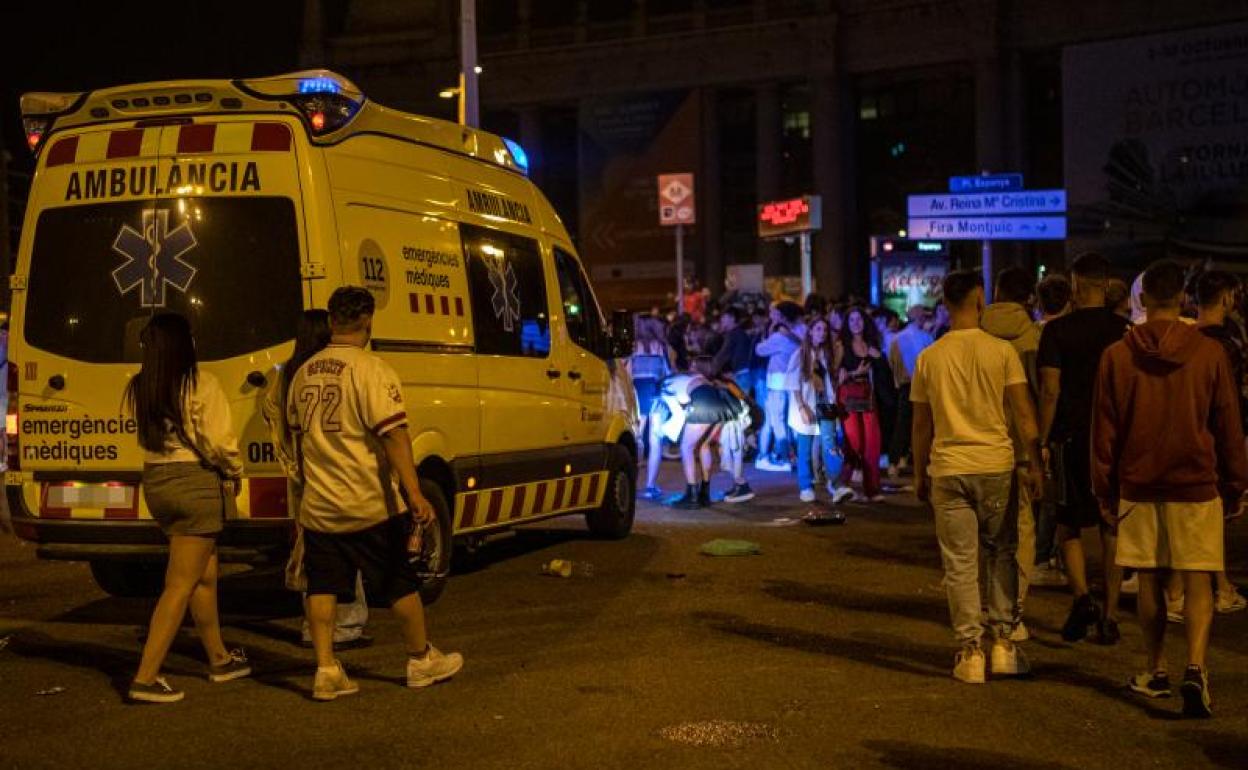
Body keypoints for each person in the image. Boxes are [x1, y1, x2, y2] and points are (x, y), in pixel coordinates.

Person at [1092, 260, 1248, 718]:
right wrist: (1236, 484)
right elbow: (1227, 424)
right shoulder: (1208, 353)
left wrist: (1103, 488)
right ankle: (1196, 666)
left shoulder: (1117, 356)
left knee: (1152, 578)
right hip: (1196, 480)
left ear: (1142, 300)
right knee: (1198, 577)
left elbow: (1104, 431)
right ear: (1183, 298)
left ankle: (1156, 668)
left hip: (1138, 481)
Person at [290, 287, 462, 700]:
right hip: (368, 502)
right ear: (367, 322)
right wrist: (414, 493)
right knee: (398, 582)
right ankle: (421, 659)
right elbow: (395, 436)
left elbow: (299, 439)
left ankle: (327, 668)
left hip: (320, 505)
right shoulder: (372, 369)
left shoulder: (303, 373)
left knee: (323, 586)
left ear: (331, 321)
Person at [911, 270, 1044, 684]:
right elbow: (1024, 415)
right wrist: (1035, 465)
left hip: (949, 468)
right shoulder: (1000, 352)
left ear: (946, 304)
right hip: (995, 465)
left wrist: (920, 473)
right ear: (980, 300)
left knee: (960, 563)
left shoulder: (930, 357)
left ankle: (970, 652)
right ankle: (1003, 644)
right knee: (1002, 552)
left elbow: (921, 425)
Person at [125, 313, 250, 703]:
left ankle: (219, 658)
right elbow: (215, 440)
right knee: (179, 585)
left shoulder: (140, 385)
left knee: (203, 575)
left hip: (157, 481)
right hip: (193, 481)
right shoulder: (201, 383)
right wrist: (234, 470)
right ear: (183, 343)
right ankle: (145, 678)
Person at [263, 310, 371, 650]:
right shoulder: (330, 372)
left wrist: (290, 463)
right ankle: (347, 622)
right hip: (333, 473)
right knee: (346, 547)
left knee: (313, 552)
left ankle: (314, 625)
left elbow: (274, 419)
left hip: (302, 476)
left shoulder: (286, 374)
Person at [1037, 253, 1130, 645]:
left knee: (1067, 522)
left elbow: (1050, 390)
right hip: (1115, 439)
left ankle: (1081, 597)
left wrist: (1041, 439)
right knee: (1112, 526)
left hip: (1070, 437)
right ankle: (1110, 612)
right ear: (1106, 285)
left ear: (1075, 286)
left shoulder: (1057, 332)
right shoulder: (1126, 332)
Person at [980, 266, 1042, 639]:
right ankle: (1012, 610)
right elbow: (1038, 397)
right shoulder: (1034, 338)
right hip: (1020, 448)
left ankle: (984, 607)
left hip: (981, 445)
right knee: (1020, 532)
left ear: (997, 292)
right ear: (1028, 298)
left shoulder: (973, 336)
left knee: (980, 532)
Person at [1191, 271, 1248, 615]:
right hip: (1217, 436)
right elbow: (1232, 403)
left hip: (1189, 435)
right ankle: (1219, 587)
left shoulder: (1186, 339)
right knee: (1212, 515)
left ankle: (1205, 585)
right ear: (1226, 299)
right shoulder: (1227, 344)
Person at [1030, 274, 1073, 588]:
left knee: (1044, 496)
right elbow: (1051, 390)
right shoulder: (1064, 335)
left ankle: (1043, 555)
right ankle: (1046, 556)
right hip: (1057, 426)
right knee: (1053, 498)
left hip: (1029, 424)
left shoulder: (1030, 336)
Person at [787, 317, 852, 504]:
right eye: (818, 329)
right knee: (805, 448)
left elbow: (831, 381)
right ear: (810, 331)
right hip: (807, 405)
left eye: (824, 330)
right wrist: (801, 407)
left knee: (830, 445)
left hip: (825, 404)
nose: (822, 333)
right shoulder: (801, 354)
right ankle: (806, 486)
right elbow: (793, 384)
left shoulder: (827, 354)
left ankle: (836, 484)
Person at [664, 358, 740, 509]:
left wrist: (667, 431)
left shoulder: (665, 386)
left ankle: (691, 496)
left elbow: (678, 411)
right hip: (720, 403)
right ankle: (704, 493)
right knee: (704, 445)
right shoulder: (698, 378)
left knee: (686, 447)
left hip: (703, 401)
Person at [837, 306, 893, 502]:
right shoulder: (841, 345)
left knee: (872, 444)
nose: (855, 323)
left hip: (869, 399)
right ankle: (841, 485)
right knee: (854, 444)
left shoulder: (872, 344)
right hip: (848, 400)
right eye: (851, 320)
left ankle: (873, 490)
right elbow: (837, 374)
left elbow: (885, 373)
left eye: (859, 319)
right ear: (846, 324)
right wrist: (854, 373)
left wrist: (879, 358)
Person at [754, 302, 802, 472]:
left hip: (777, 383)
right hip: (794, 382)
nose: (771, 315)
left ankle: (784, 458)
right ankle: (791, 455)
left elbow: (760, 350)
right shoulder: (799, 333)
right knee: (788, 421)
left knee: (777, 421)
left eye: (773, 312)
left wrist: (766, 334)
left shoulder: (779, 336)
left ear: (781, 316)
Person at [631, 315, 674, 501]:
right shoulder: (661, 347)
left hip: (636, 392)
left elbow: (626, 371)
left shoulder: (632, 347)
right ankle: (650, 485)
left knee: (636, 438)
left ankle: (631, 482)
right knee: (655, 439)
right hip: (655, 391)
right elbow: (668, 372)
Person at [888, 306, 934, 479]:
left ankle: (896, 460)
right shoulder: (926, 338)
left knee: (902, 424)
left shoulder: (896, 339)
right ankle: (921, 461)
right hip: (922, 385)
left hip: (905, 385)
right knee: (922, 424)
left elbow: (891, 363)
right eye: (923, 316)